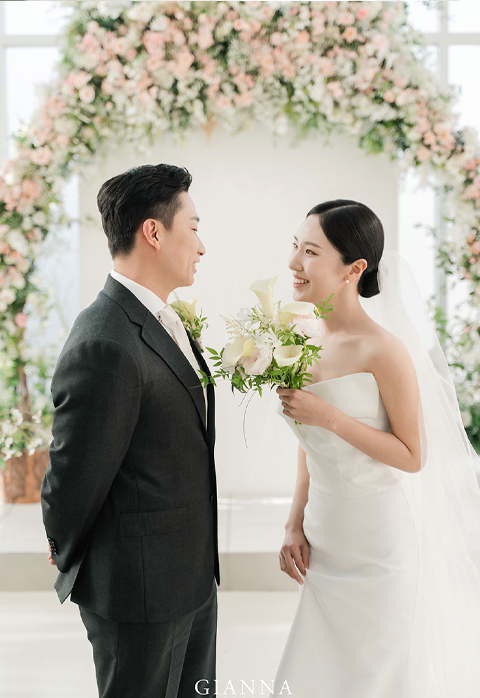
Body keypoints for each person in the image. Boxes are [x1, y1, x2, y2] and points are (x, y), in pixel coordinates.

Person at [273, 199, 480, 697]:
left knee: (375, 677)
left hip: (378, 544)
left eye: (310, 252)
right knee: (315, 674)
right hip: (324, 536)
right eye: (296, 247)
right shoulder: (300, 338)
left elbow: (412, 455)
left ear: (354, 269)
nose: (294, 263)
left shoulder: (383, 349)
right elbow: (310, 442)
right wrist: (294, 521)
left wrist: (329, 415)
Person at [41, 163, 219, 698]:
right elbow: (73, 475)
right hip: (140, 594)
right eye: (194, 228)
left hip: (189, 578)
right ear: (154, 232)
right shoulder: (105, 340)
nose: (202, 246)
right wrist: (63, 544)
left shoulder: (164, 317)